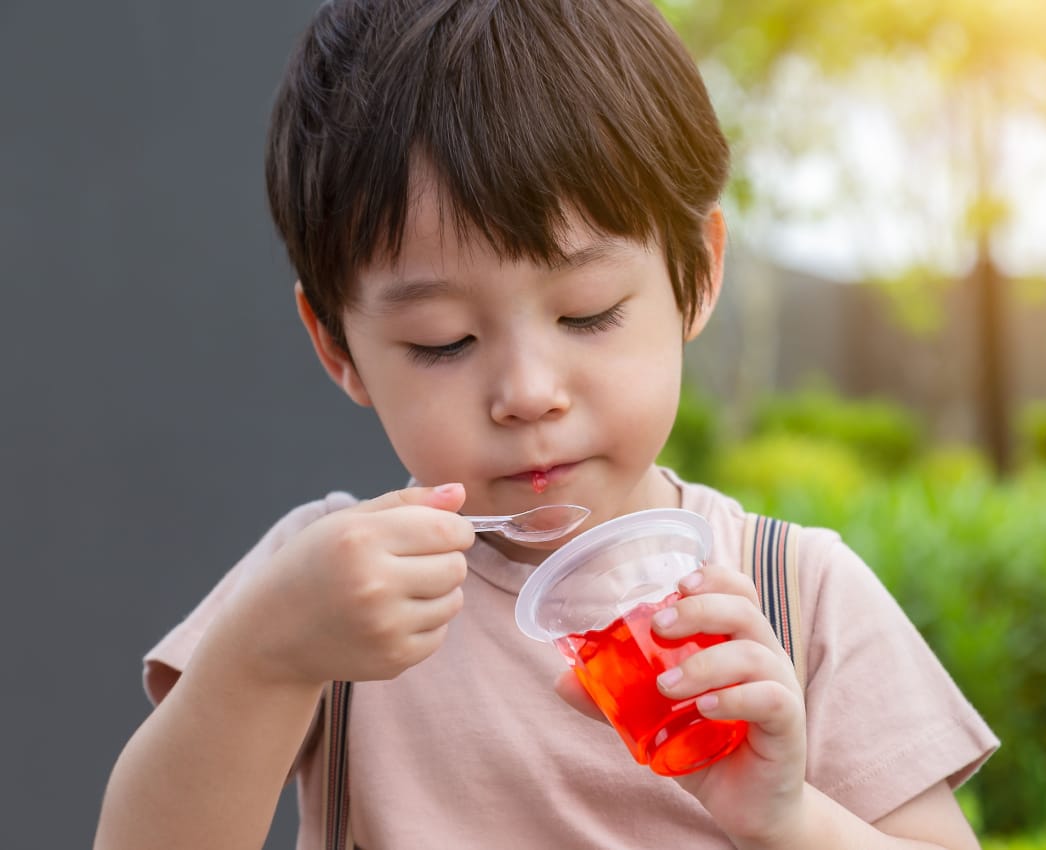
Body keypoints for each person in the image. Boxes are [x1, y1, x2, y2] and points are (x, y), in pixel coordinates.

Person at [94, 1, 998, 847]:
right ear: (337, 346)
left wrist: (789, 815)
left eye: (589, 312)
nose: (528, 392)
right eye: (443, 341)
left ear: (699, 274)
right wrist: (265, 657)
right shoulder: (324, 592)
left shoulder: (797, 594)